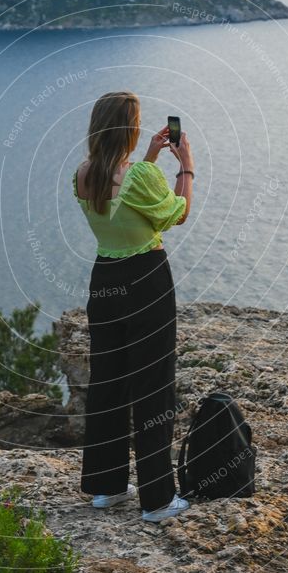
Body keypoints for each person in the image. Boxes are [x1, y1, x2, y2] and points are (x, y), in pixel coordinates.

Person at [72, 91, 195, 523]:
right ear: (131, 128)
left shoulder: (84, 174)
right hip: (146, 280)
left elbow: (122, 189)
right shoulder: (139, 175)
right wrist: (185, 166)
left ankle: (107, 487)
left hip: (104, 280)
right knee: (153, 385)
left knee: (108, 381)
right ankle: (158, 500)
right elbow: (175, 213)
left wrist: (147, 159)